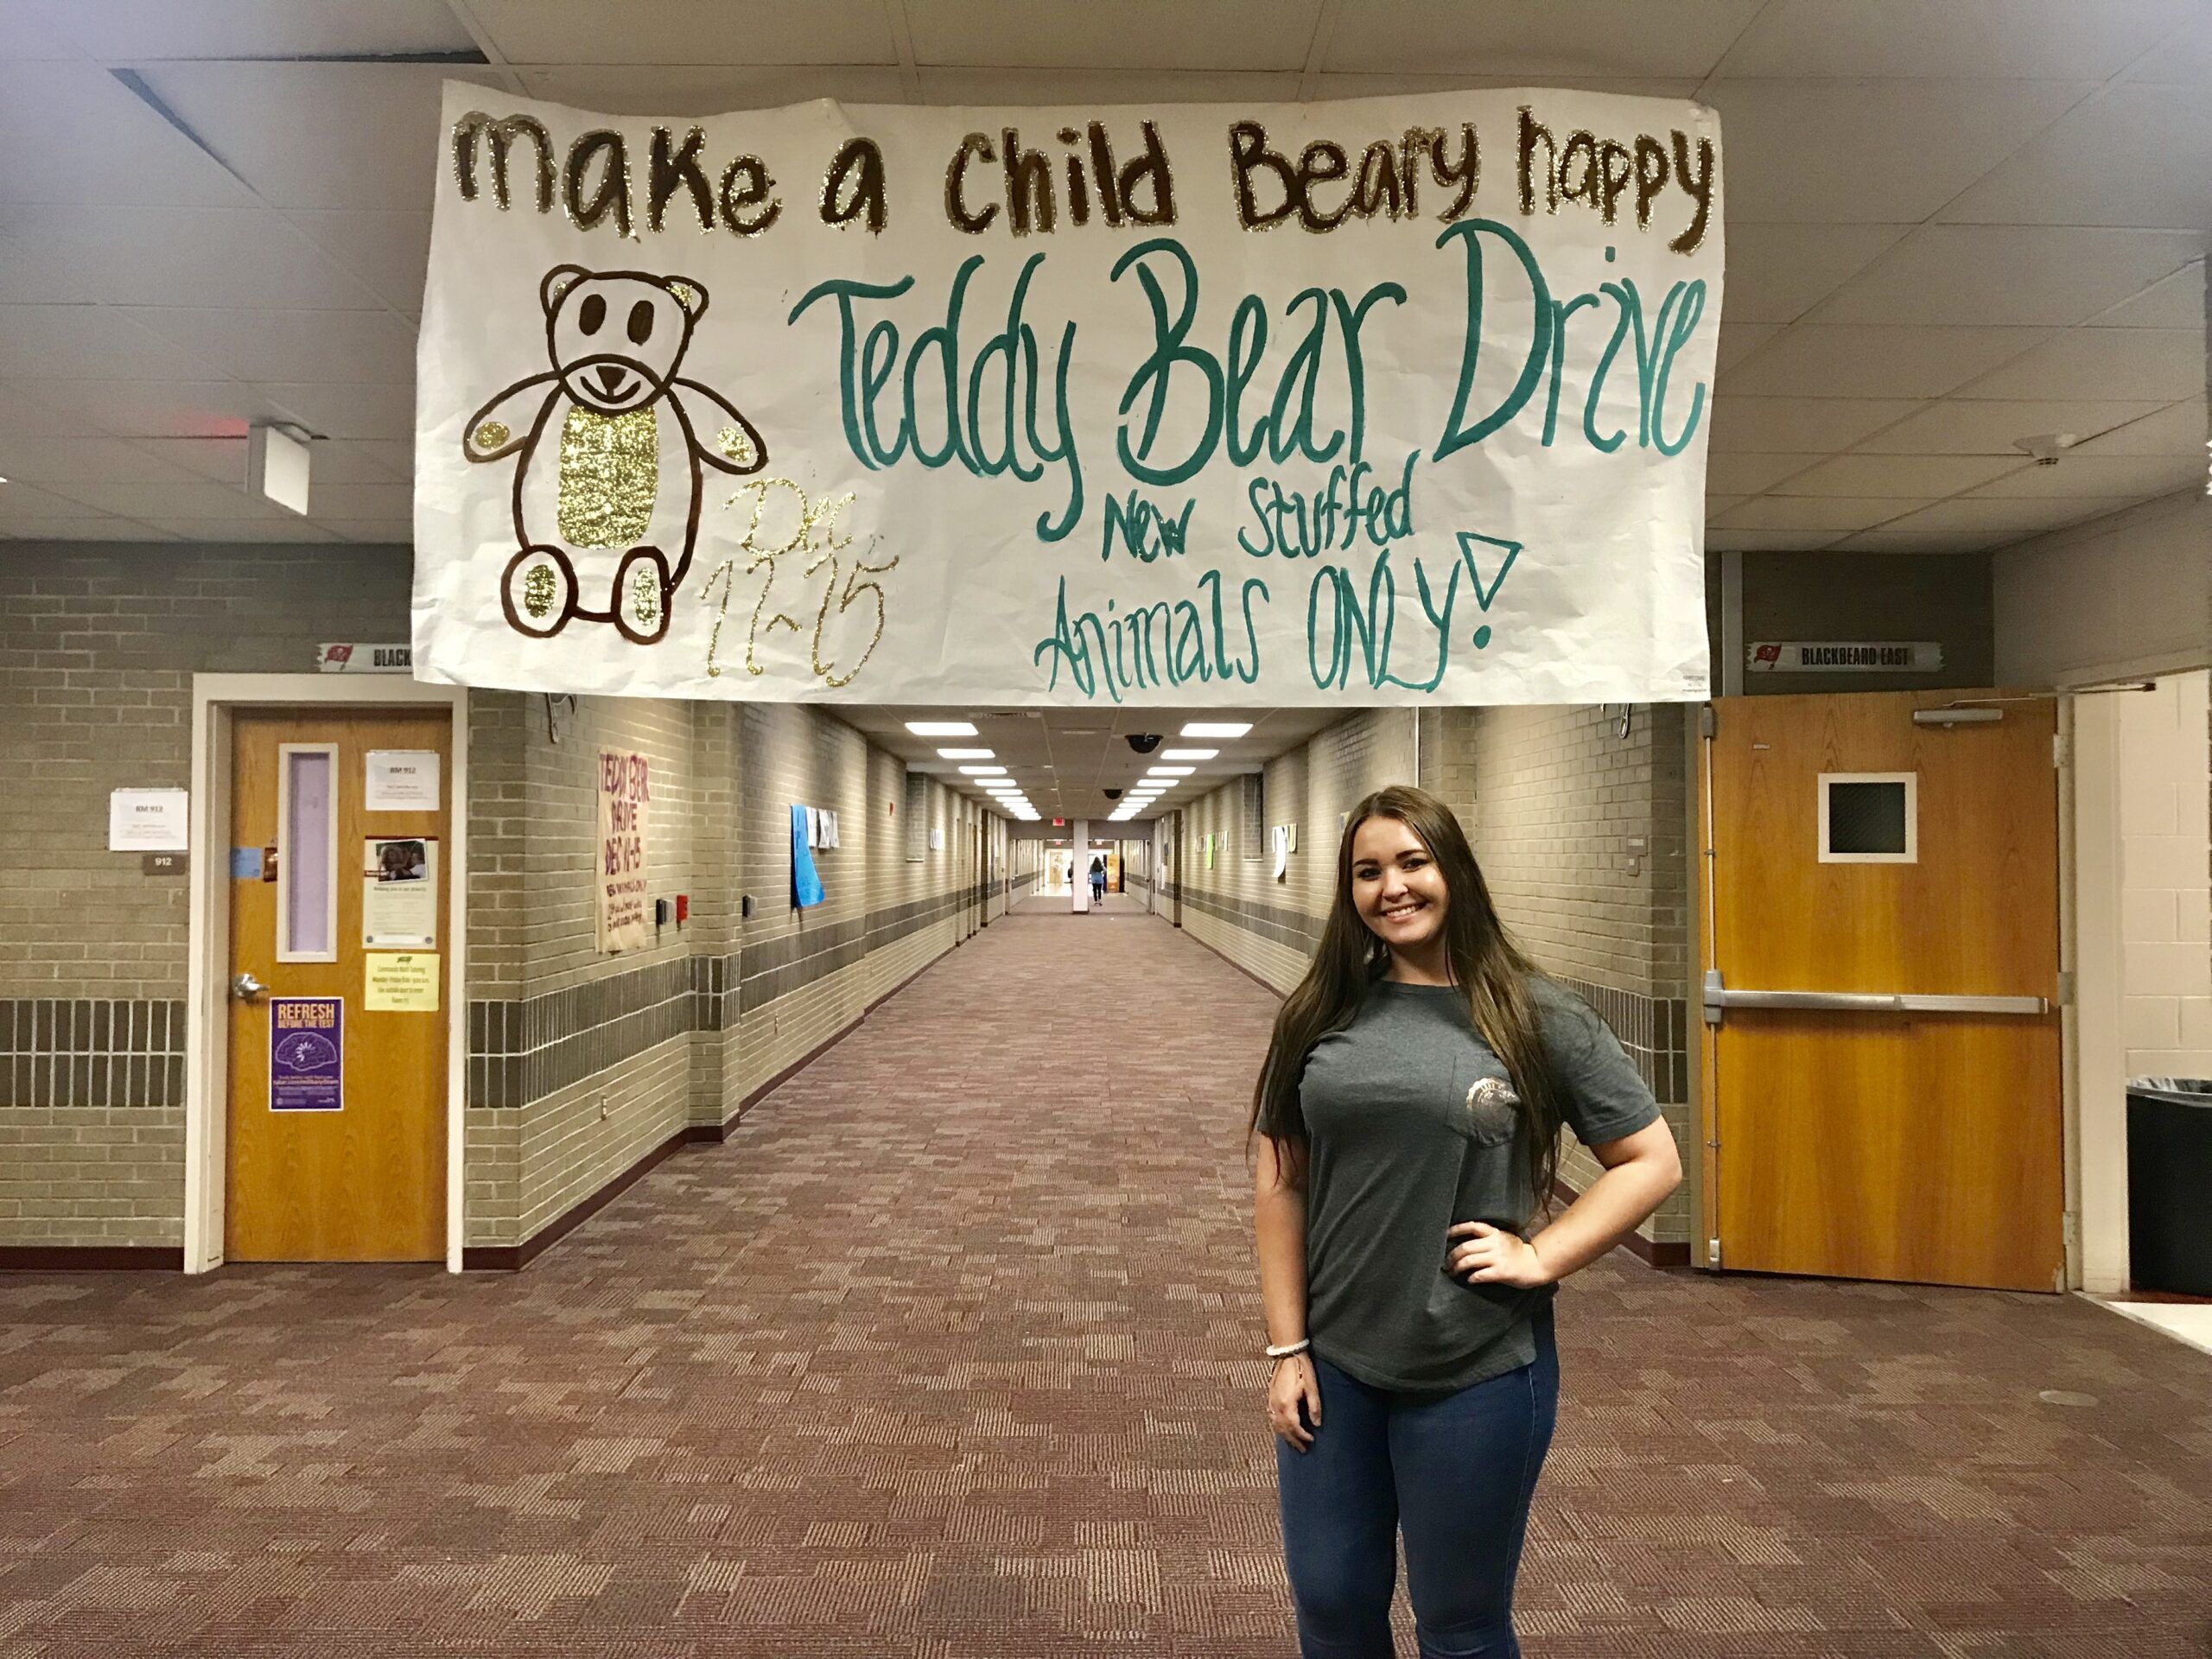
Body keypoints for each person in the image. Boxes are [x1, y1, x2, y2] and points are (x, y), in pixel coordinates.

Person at [1249, 785, 1681, 1658]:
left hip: (1474, 1364)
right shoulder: (1320, 1013)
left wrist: (1541, 1256)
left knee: (1459, 1624)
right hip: (1336, 1362)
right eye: (1368, 871)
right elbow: (1281, 1185)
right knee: (1331, 1606)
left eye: (1413, 862)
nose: (1392, 888)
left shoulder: (1533, 1013)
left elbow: (1651, 1161)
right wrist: (1287, 1347)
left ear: (1454, 870)